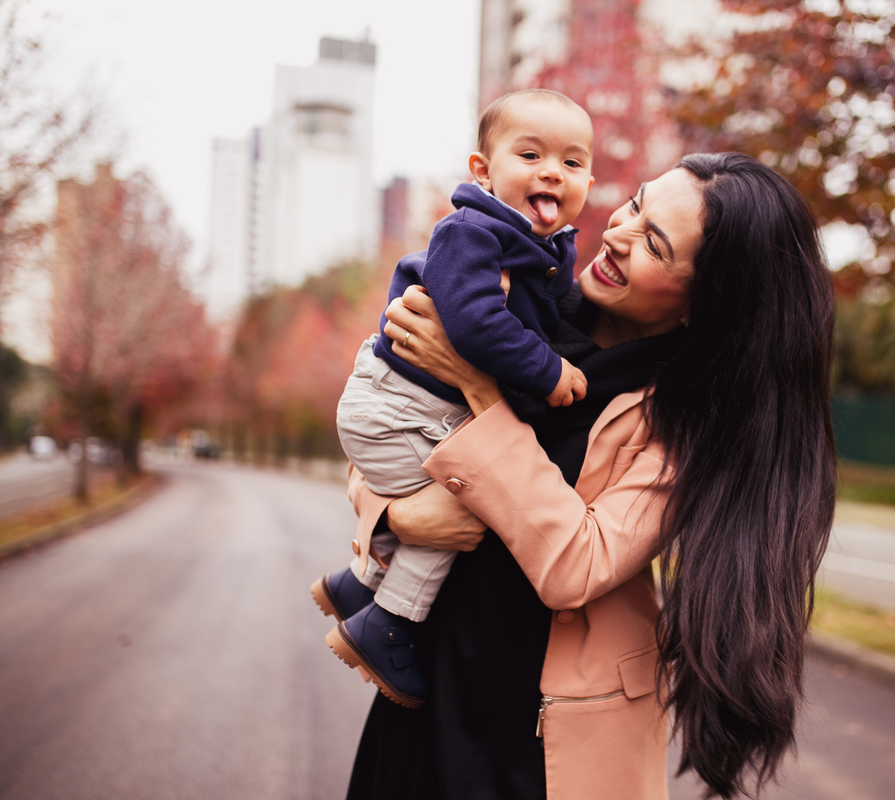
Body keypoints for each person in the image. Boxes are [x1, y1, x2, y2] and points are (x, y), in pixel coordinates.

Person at [341, 152, 836, 800]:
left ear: (705, 299)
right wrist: (394, 515)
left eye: (654, 244)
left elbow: (579, 563)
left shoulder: (682, 419)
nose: (619, 235)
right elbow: (384, 433)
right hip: (427, 686)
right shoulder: (514, 309)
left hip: (545, 732)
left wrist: (480, 390)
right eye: (635, 207)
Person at [310, 89, 595, 708]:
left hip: (416, 407)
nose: (553, 171)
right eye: (531, 154)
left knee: (450, 496)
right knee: (459, 508)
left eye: (573, 163)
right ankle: (388, 625)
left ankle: (357, 589)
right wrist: (547, 370)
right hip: (398, 405)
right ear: (483, 171)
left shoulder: (546, 250)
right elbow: (472, 324)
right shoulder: (473, 232)